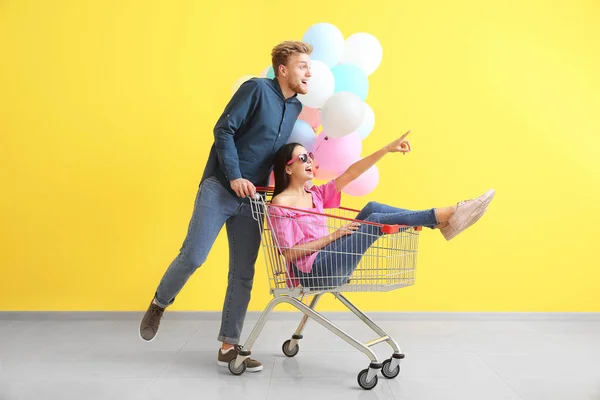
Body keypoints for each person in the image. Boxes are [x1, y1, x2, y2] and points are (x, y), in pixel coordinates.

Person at [139, 41, 313, 372]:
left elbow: (277, 159)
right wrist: (234, 176)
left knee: (243, 273)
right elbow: (223, 130)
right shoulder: (256, 90)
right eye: (303, 66)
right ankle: (160, 302)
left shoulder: (295, 109)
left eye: (310, 68)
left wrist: (291, 189)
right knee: (194, 256)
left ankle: (229, 347)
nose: (308, 72)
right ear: (283, 69)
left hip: (254, 198)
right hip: (220, 186)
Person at [268, 131, 495, 289]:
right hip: (313, 271)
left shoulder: (314, 195)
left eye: (311, 156)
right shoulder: (280, 204)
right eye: (303, 157)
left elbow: (351, 173)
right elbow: (289, 253)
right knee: (375, 219)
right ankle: (447, 214)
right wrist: (335, 235)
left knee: (373, 208)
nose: (310, 160)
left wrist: (386, 149)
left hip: (331, 258)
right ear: (287, 169)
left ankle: (440, 219)